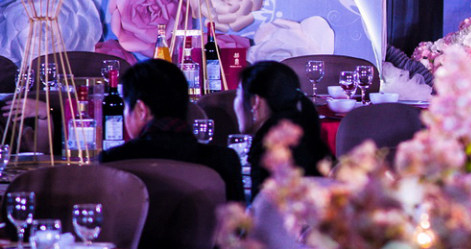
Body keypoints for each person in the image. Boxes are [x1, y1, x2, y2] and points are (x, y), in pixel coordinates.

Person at [102, 58, 245, 203]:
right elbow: (238, 215)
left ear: (141, 110)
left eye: (126, 107)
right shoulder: (224, 161)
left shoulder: (113, 161)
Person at [237, 60, 333, 186]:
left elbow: (265, 197)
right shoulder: (305, 134)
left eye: (237, 95)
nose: (235, 103)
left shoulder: (270, 149)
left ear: (255, 101)